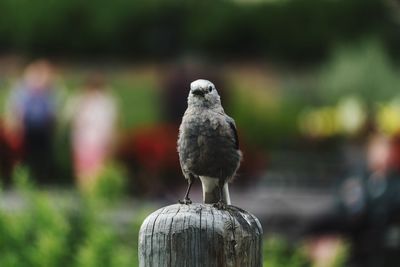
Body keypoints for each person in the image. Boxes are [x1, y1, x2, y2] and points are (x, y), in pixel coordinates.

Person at [4, 60, 58, 182]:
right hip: (26, 128)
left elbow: (51, 111)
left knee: (42, 155)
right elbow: (16, 108)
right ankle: (26, 179)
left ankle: (42, 178)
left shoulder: (47, 91)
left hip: (42, 128)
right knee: (25, 156)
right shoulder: (22, 90)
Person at [66, 74, 118, 190]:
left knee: (97, 170)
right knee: (83, 170)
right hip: (83, 140)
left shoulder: (105, 101)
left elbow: (110, 123)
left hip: (98, 141)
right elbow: (72, 119)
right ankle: (86, 191)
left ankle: (94, 191)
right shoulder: (79, 99)